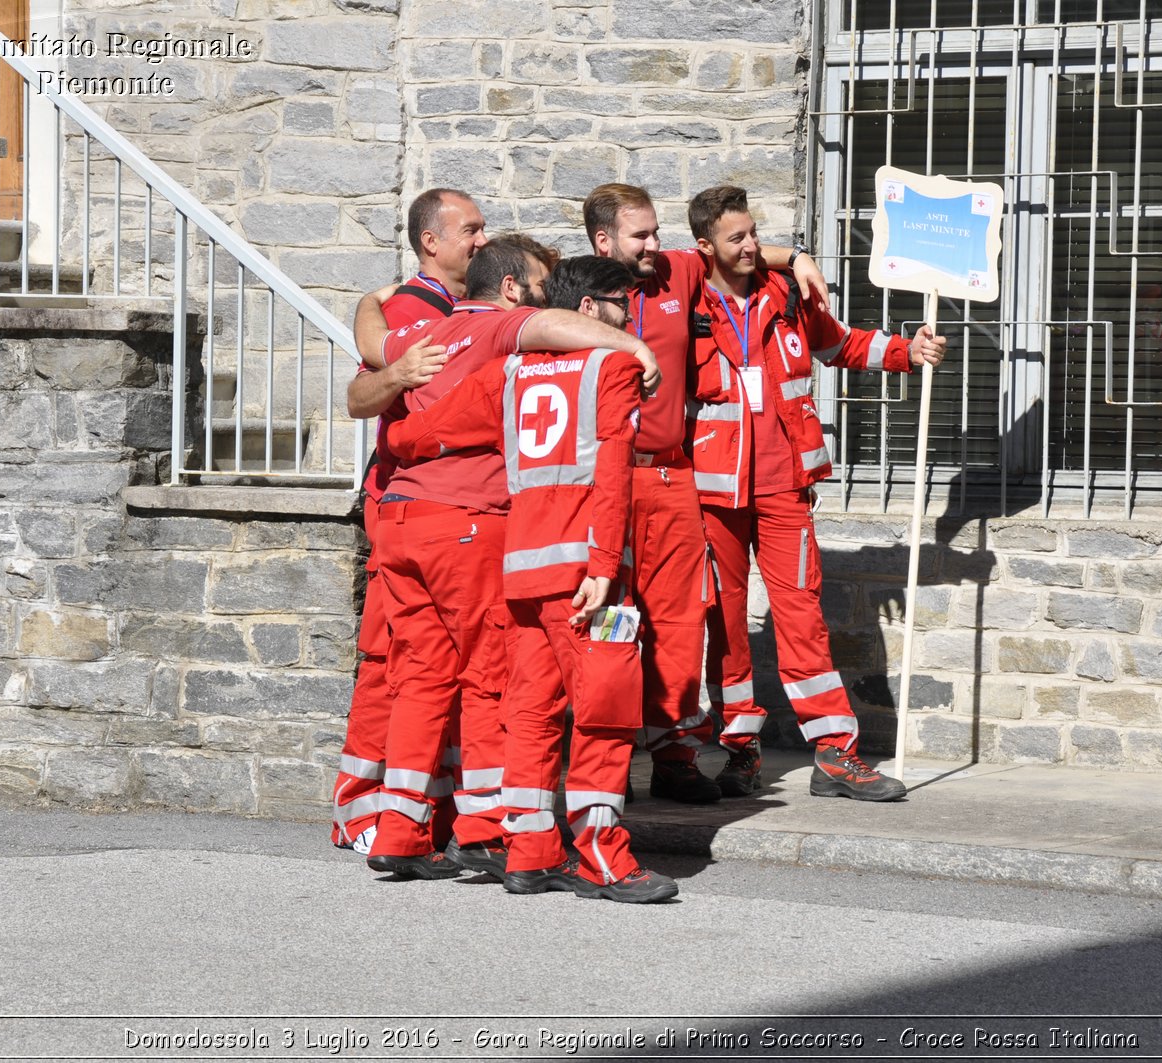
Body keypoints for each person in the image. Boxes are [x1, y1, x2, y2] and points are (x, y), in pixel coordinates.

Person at [361, 242, 663, 880]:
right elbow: (613, 476)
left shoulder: (509, 375)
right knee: (604, 708)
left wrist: (401, 449)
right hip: (580, 569)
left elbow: (413, 434)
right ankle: (602, 860)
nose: (630, 323)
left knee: (523, 705)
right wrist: (607, 564)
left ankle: (522, 851)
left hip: (517, 564)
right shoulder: (605, 369)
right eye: (622, 310)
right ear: (589, 309)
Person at [684, 185, 948, 802]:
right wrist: (791, 251)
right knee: (722, 624)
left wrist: (908, 351)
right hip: (714, 492)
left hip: (784, 485)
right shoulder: (686, 295)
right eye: (736, 239)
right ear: (706, 247)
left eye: (755, 234)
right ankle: (740, 751)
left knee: (801, 618)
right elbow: (672, 258)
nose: (750, 246)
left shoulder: (787, 297)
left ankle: (835, 754)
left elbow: (841, 344)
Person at [582, 183, 830, 804]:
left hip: (670, 476)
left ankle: (673, 756)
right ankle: (607, 766)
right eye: (640, 235)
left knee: (676, 623)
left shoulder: (677, 270)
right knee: (612, 619)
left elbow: (735, 251)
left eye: (656, 232)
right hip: (602, 478)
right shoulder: (574, 285)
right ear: (603, 239)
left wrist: (796, 255)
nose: (653, 244)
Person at [330, 187, 486, 855]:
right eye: (470, 229)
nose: (481, 238)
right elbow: (359, 393)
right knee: (389, 664)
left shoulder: (455, 306)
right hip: (403, 510)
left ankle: (426, 810)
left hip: (446, 514)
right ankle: (360, 811)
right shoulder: (409, 307)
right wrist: (393, 368)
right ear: (432, 241)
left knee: (436, 671)